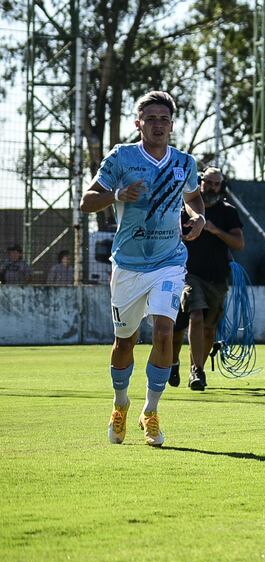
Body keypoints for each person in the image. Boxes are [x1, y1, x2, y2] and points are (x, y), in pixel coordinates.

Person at [79, 90, 205, 447]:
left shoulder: (184, 162)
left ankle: (150, 411)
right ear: (139, 124)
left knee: (164, 332)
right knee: (125, 342)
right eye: (151, 119)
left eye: (164, 119)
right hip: (128, 264)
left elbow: (193, 197)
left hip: (169, 261)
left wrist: (198, 217)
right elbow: (87, 201)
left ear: (172, 125)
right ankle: (120, 403)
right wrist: (118, 195)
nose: (158, 125)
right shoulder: (122, 157)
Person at [169, 167, 244, 391]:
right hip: (187, 275)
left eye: (216, 184)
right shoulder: (184, 210)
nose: (212, 187)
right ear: (200, 182)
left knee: (209, 329)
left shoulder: (228, 212)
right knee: (193, 316)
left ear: (221, 187)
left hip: (217, 278)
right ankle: (191, 369)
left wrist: (214, 229)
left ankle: (192, 367)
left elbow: (239, 243)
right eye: (208, 182)